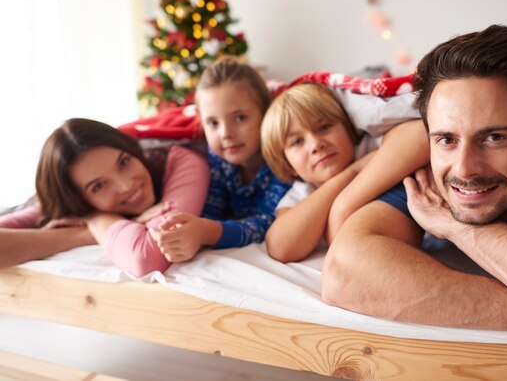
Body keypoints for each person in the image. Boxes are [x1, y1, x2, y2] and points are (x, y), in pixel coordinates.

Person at [321, 25, 507, 361]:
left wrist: (459, 228)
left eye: (494, 138)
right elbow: (344, 271)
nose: (464, 169)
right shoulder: (426, 181)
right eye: (447, 139)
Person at [0, 118, 210, 277]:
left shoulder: (180, 161)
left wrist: (95, 219)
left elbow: (147, 256)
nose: (126, 185)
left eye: (124, 162)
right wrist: (87, 230)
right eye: (98, 186)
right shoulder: (62, 197)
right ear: (77, 200)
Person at [261, 82, 428, 262]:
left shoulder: (366, 148)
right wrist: (352, 172)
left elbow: (421, 133)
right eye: (297, 142)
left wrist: (344, 205)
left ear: (349, 131)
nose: (316, 144)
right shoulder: (301, 193)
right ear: (289, 166)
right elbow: (280, 246)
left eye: (324, 127)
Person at [151, 57, 290, 261]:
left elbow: (268, 224)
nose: (226, 133)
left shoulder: (282, 158)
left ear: (265, 113)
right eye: (213, 123)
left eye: (240, 118)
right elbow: (209, 212)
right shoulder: (217, 158)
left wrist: (206, 232)